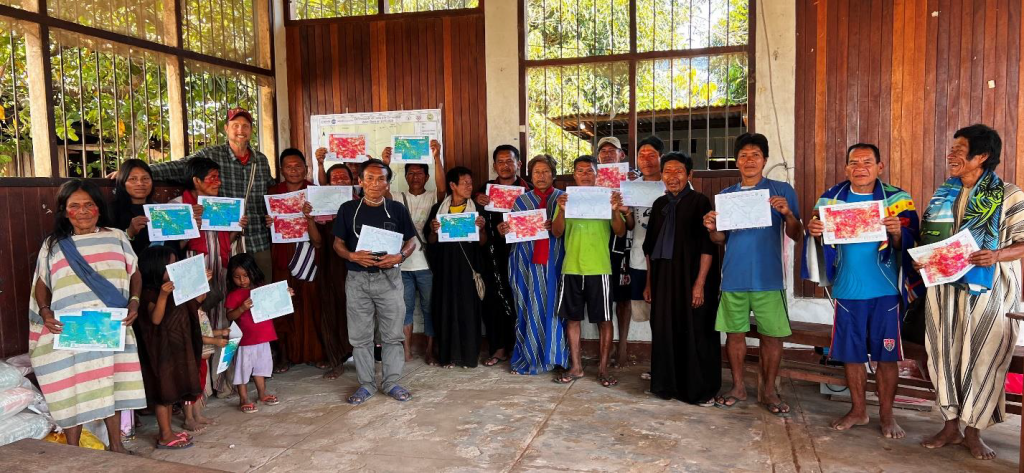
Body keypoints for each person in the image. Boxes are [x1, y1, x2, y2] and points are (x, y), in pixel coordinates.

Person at [918, 124, 1024, 460]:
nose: (952, 154)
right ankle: (950, 425)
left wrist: (995, 254)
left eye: (960, 149)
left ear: (982, 156)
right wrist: (924, 258)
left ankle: (974, 431)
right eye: (953, 148)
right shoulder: (944, 193)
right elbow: (931, 239)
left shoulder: (1010, 195)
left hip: (990, 288)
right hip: (943, 289)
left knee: (983, 356)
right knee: (943, 352)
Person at [801, 143, 922, 437]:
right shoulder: (831, 199)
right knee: (852, 354)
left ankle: (887, 415)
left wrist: (897, 233)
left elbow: (912, 240)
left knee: (887, 356)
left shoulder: (898, 199)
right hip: (847, 290)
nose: (860, 168)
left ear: (880, 166)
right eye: (854, 163)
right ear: (846, 168)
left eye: (867, 162)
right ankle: (858, 410)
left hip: (885, 292)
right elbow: (817, 236)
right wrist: (813, 232)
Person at [28, 179, 145, 453]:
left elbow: (134, 272)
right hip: (70, 330)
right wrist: (45, 312)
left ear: (98, 209)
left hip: (110, 327)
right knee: (72, 386)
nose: (82, 211)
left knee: (109, 384)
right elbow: (42, 283)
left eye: (88, 205)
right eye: (74, 206)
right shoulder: (54, 245)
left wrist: (135, 302)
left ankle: (116, 445)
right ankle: (73, 451)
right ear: (64, 211)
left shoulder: (116, 237)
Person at [703, 133, 802, 416]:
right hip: (733, 276)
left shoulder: (780, 191)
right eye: (744, 155)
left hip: (768, 278)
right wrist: (712, 227)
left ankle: (768, 391)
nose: (749, 160)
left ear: (765, 160)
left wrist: (788, 214)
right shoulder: (726, 196)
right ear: (737, 161)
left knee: (772, 337)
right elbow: (722, 239)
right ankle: (737, 387)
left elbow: (796, 234)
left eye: (755, 155)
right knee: (734, 335)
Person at [144, 107, 276, 279]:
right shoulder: (212, 155)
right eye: (235, 125)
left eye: (245, 126)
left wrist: (275, 215)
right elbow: (180, 166)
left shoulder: (261, 160)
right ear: (226, 128)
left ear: (251, 130)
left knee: (262, 287)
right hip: (227, 241)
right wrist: (142, 172)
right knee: (229, 293)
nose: (240, 130)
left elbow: (271, 189)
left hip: (258, 238)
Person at [332, 159, 419, 405]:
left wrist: (399, 256)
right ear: (359, 182)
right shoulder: (348, 209)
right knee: (360, 337)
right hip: (357, 280)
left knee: (392, 335)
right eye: (369, 178)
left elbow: (411, 241)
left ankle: (391, 382)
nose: (374, 183)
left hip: (389, 279)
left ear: (388, 182)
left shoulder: (397, 209)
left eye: (381, 178)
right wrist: (351, 255)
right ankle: (366, 384)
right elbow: (337, 243)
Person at [643, 152, 720, 405]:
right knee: (665, 328)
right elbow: (649, 249)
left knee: (695, 331)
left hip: (691, 279)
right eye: (667, 172)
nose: (672, 176)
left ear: (690, 175)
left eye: (678, 171)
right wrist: (649, 284)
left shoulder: (700, 202)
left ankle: (698, 390)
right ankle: (666, 385)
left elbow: (708, 248)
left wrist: (699, 285)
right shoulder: (658, 205)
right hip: (664, 280)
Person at [170, 157, 247, 397]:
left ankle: (222, 380)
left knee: (221, 321)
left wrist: (236, 228)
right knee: (198, 321)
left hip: (220, 269)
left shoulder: (221, 205)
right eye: (212, 177)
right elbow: (174, 247)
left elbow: (228, 242)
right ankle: (199, 387)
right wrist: (190, 222)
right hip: (195, 270)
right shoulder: (179, 204)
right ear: (196, 180)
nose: (218, 182)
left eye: (218, 177)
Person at [552, 155, 628, 386]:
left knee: (604, 320)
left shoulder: (607, 198)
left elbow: (621, 232)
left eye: (589, 171)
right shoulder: (565, 199)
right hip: (572, 268)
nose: (585, 174)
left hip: (600, 269)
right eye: (580, 171)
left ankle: (603, 370)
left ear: (597, 174)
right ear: (574, 174)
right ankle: (576, 367)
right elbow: (556, 232)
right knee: (572, 319)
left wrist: (615, 210)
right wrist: (562, 210)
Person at [501, 155, 569, 375]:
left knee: (554, 309)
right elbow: (515, 232)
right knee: (527, 307)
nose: (541, 176)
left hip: (555, 263)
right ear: (530, 175)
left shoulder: (562, 199)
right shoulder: (521, 201)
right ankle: (528, 355)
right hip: (526, 263)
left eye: (546, 171)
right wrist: (506, 230)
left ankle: (556, 356)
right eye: (537, 172)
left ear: (553, 174)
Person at [136, 246, 207, 448]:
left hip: (177, 348)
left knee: (170, 392)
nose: (175, 268)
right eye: (170, 265)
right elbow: (156, 319)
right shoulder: (150, 293)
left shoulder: (177, 288)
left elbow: (195, 305)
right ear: (156, 268)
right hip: (160, 353)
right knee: (163, 393)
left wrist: (201, 284)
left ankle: (168, 431)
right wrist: (163, 296)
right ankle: (165, 435)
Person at [264, 149, 325, 373]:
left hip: (308, 251)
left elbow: (323, 226)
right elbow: (268, 225)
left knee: (311, 303)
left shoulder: (314, 192)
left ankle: (315, 352)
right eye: (288, 167)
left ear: (306, 169)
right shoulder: (273, 193)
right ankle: (284, 356)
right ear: (281, 171)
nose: (294, 170)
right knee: (282, 304)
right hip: (282, 251)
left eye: (298, 166)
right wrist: (269, 221)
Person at [473, 145, 533, 367]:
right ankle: (498, 347)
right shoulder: (484, 192)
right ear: (494, 165)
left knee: (521, 299)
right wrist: (493, 230)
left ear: (518, 164)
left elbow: (536, 221)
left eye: (510, 161)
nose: (505, 165)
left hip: (523, 254)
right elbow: (476, 224)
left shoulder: (529, 189)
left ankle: (520, 347)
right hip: (492, 254)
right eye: (500, 161)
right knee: (493, 301)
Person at [425, 167, 488, 368]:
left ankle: (469, 357)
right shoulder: (439, 209)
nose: (470, 187)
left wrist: (482, 228)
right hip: (445, 270)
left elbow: (483, 243)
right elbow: (431, 241)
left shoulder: (476, 209)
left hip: (468, 270)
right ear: (453, 185)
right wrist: (434, 230)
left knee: (468, 312)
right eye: (465, 183)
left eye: (471, 183)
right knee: (446, 310)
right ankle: (447, 356)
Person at [225, 253, 289, 413]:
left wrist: (285, 295)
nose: (242, 280)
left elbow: (276, 303)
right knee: (243, 369)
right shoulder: (233, 295)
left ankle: (262, 393)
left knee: (262, 367)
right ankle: (243, 398)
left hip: (263, 337)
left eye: (245, 275)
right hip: (245, 339)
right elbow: (230, 316)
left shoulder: (261, 289)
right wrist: (241, 308)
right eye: (237, 277)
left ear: (253, 272)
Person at [314, 163, 356, 379]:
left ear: (352, 180)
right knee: (331, 311)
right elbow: (318, 241)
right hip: (330, 265)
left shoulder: (360, 203)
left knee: (358, 312)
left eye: (344, 177)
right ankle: (336, 360)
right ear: (328, 183)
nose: (340, 181)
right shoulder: (321, 206)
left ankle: (362, 357)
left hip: (356, 265)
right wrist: (308, 218)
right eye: (335, 178)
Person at [596, 137, 635, 369]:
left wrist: (631, 183)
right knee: (604, 297)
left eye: (613, 150)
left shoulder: (632, 179)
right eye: (604, 151)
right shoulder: (592, 180)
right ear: (598, 157)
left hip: (625, 245)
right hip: (600, 245)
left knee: (623, 297)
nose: (608, 154)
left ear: (622, 156)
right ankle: (606, 347)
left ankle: (622, 346)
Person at [395, 163, 439, 363]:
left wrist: (437, 157)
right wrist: (385, 162)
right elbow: (382, 192)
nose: (415, 177)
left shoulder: (433, 196)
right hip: (402, 266)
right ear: (404, 177)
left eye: (419, 173)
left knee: (430, 308)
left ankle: (430, 350)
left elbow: (445, 186)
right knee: (405, 309)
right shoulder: (396, 197)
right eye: (410, 173)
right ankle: (406, 350)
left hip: (427, 265)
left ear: (427, 176)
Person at [109, 159, 156, 256]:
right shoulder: (111, 211)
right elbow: (109, 248)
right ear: (122, 182)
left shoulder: (160, 209)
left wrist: (191, 228)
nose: (140, 183)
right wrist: (129, 233)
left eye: (145, 178)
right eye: (133, 179)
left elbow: (174, 247)